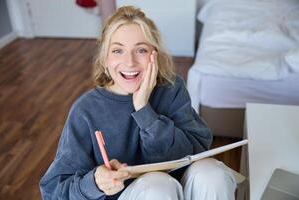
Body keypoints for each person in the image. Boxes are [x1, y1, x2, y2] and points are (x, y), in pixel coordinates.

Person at [39, 6, 236, 200]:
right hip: (144, 194)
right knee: (157, 185)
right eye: (117, 51)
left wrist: (144, 111)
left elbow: (197, 150)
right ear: (105, 59)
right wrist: (95, 183)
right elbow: (53, 191)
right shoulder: (86, 110)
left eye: (140, 50)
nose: (130, 62)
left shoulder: (171, 89)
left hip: (181, 189)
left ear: (154, 54)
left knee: (213, 174)